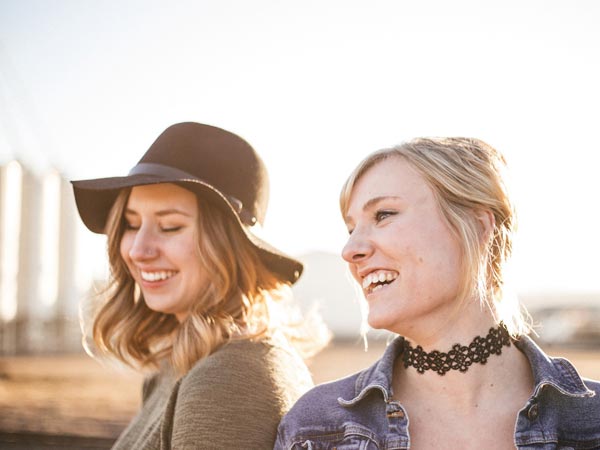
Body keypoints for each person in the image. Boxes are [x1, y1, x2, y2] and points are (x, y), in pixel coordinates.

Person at [275, 137, 600, 449]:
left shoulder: (592, 420)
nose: (350, 250)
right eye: (350, 229)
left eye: (383, 215)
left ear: (478, 226)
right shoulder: (314, 429)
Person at [72, 122, 327, 449]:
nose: (137, 250)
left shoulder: (229, 380)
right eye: (131, 224)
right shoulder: (180, 367)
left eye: (169, 226)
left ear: (230, 246)